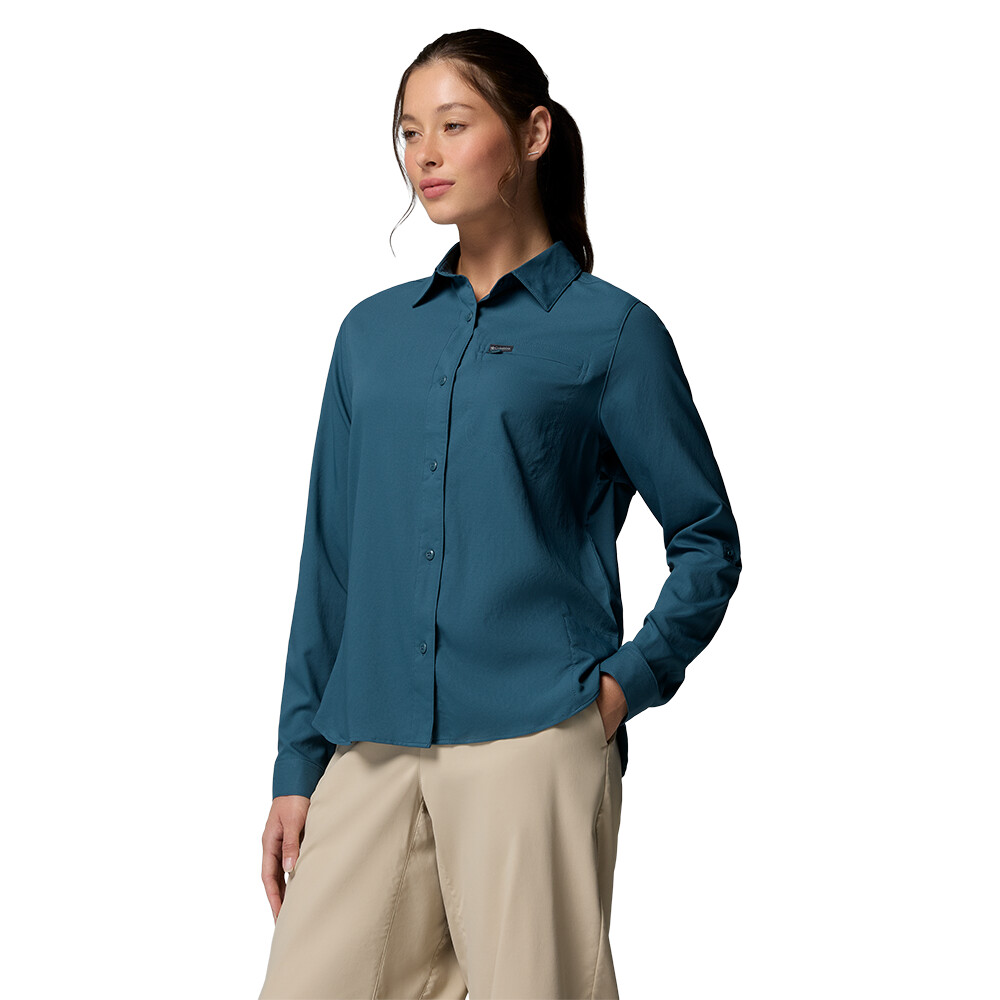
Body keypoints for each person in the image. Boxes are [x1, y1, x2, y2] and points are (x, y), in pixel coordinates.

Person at [258, 27, 742, 1000]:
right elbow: (333, 564)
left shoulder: (612, 333)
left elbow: (706, 540)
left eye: (452, 124)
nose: (424, 154)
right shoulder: (370, 336)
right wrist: (297, 764)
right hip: (370, 743)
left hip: (535, 735)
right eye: (408, 131)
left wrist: (620, 690)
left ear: (533, 134)